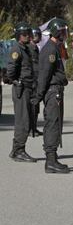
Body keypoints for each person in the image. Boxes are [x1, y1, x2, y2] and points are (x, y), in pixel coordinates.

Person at [31, 18, 69, 174]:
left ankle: (53, 159)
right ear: (57, 32)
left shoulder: (55, 47)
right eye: (63, 31)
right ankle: (51, 161)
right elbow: (44, 75)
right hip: (53, 92)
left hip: (55, 91)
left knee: (55, 124)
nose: (65, 34)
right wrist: (38, 96)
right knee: (52, 124)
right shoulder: (51, 50)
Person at [7, 22, 37, 162]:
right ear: (19, 35)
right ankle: (19, 150)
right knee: (23, 120)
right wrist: (16, 81)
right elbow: (11, 71)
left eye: (28, 34)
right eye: (25, 34)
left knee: (28, 119)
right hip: (21, 88)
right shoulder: (16, 49)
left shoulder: (26, 48)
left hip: (28, 87)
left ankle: (16, 149)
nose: (28, 36)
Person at [29, 27, 43, 136]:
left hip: (37, 79)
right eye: (36, 35)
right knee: (32, 106)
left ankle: (34, 127)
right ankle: (30, 128)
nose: (39, 37)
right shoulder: (29, 48)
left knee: (36, 106)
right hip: (32, 80)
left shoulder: (35, 48)